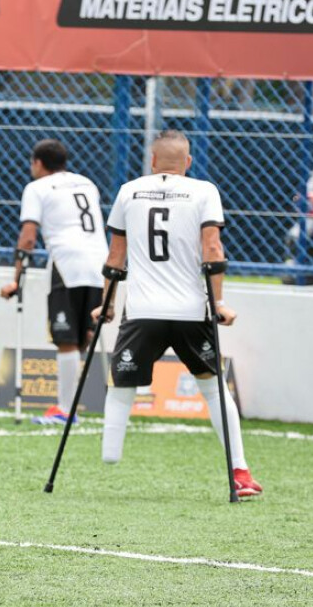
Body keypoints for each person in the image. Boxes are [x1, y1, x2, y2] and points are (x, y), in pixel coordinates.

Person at [95, 130, 262, 497]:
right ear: (188, 162)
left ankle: (110, 454)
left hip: (142, 311)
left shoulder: (129, 190)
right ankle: (240, 471)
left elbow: (115, 257)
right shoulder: (204, 191)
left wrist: (106, 303)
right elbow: (213, 249)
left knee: (122, 383)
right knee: (212, 387)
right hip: (190, 311)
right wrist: (218, 303)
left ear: (152, 160)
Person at [0, 139, 108, 424]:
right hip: (99, 262)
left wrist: (16, 279)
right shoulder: (87, 183)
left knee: (65, 337)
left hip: (67, 263)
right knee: (84, 334)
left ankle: (64, 410)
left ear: (37, 163)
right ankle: (75, 406)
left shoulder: (37, 188)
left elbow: (28, 237)